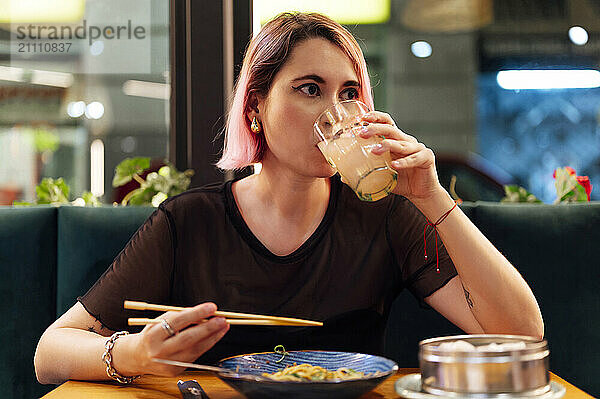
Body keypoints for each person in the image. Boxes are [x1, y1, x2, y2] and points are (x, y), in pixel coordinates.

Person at [34, 12, 543, 385]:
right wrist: (134, 354)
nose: (336, 113)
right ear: (256, 106)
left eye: (348, 94)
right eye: (309, 89)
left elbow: (522, 335)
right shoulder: (190, 222)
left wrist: (431, 198)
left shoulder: (385, 216)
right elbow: (50, 352)